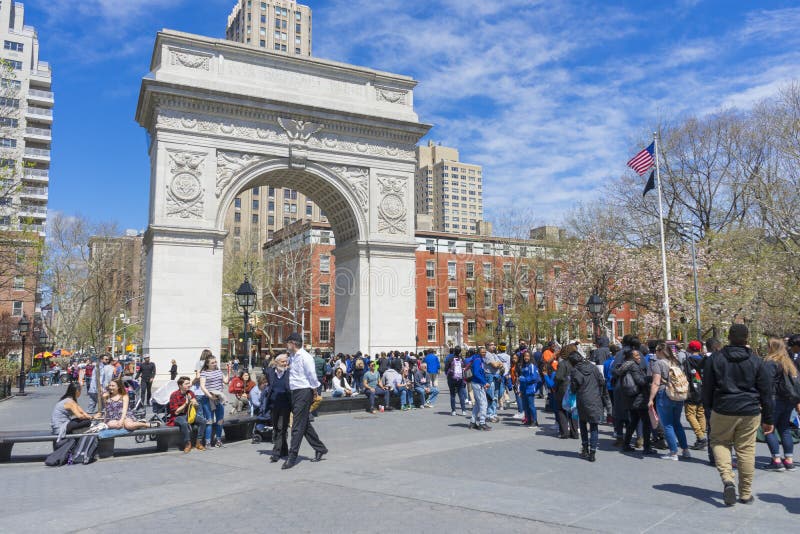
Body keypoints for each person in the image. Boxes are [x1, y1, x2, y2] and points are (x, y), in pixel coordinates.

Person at [703, 324, 773, 506]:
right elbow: (766, 392)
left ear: (729, 337)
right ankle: (745, 493)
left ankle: (727, 479)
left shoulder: (715, 359)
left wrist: (708, 409)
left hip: (723, 407)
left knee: (719, 442)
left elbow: (707, 387)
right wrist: (768, 419)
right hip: (749, 410)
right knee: (746, 450)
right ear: (747, 338)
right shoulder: (757, 361)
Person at [283, 332, 327, 470]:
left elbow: (312, 375)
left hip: (304, 391)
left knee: (296, 425)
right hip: (295, 392)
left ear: (293, 343)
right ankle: (320, 448)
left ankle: (292, 456)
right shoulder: (293, 357)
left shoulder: (305, 357)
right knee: (304, 424)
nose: (286, 345)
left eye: (287, 342)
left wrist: (314, 390)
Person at [647, 342, 691, 461]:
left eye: (656, 350)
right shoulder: (676, 362)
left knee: (667, 424)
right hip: (678, 394)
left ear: (660, 351)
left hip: (664, 394)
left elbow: (656, 382)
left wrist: (651, 399)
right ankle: (685, 450)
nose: (655, 353)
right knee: (677, 423)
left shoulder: (658, 363)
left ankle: (673, 452)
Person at [762, 338, 799, 472]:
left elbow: (766, 384)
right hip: (788, 400)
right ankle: (789, 460)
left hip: (774, 400)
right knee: (784, 429)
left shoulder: (770, 362)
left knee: (768, 428)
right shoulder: (789, 362)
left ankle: (776, 460)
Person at [619, 350, 656, 456]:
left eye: (639, 354)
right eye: (636, 355)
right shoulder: (633, 366)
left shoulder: (625, 366)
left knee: (634, 421)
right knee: (646, 422)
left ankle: (626, 444)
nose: (639, 356)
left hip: (630, 397)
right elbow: (640, 381)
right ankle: (647, 447)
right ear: (631, 357)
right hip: (639, 398)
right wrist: (651, 378)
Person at [167, 376, 207, 452]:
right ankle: (188, 444)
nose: (189, 385)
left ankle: (198, 442)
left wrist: (195, 404)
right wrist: (186, 404)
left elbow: (195, 405)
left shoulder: (190, 393)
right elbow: (176, 412)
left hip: (189, 415)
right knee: (184, 423)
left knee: (203, 421)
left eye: (189, 383)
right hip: (177, 417)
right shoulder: (174, 395)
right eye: (186, 384)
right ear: (180, 385)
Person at [264, 354, 292, 462]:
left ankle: (276, 453)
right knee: (276, 428)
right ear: (276, 363)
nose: (285, 364)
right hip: (273, 404)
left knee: (281, 428)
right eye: (282, 362)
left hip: (285, 405)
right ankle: (284, 450)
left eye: (286, 362)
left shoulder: (289, 373)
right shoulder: (270, 372)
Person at [199, 355, 230, 448]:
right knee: (209, 420)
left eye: (215, 362)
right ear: (207, 364)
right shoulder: (204, 373)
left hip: (218, 398)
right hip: (208, 399)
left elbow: (225, 381)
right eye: (212, 362)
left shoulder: (219, 371)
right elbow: (202, 386)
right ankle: (208, 442)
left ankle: (218, 440)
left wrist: (229, 371)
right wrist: (210, 396)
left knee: (220, 420)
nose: (214, 364)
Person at [683, 340, 707, 450]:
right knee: (701, 414)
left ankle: (701, 437)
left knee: (689, 414)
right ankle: (701, 438)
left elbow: (687, 376)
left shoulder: (688, 361)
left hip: (692, 390)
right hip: (703, 390)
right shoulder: (704, 360)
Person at [555, 345, 578, 439]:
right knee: (573, 410)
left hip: (563, 388)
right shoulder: (576, 363)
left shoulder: (563, 363)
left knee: (561, 409)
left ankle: (564, 432)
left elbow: (558, 377)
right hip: (574, 388)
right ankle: (575, 432)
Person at [467, 347, 491, 431]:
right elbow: (477, 373)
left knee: (477, 404)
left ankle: (473, 422)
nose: (484, 353)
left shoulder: (479, 359)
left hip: (477, 383)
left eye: (485, 352)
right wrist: (484, 382)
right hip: (478, 383)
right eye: (482, 352)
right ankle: (482, 423)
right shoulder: (478, 360)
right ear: (478, 352)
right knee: (483, 403)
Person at [517, 350, 541, 427]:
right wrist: (520, 389)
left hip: (530, 388)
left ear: (530, 357)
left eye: (527, 356)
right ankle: (528, 420)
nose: (526, 357)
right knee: (525, 406)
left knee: (531, 406)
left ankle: (534, 421)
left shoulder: (532, 366)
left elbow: (534, 377)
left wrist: (523, 379)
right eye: (524, 356)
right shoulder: (524, 366)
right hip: (523, 388)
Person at [483, 341, 503, 422]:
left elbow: (501, 364)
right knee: (490, 396)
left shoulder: (494, 355)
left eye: (494, 344)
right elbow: (495, 365)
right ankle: (489, 414)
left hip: (496, 376)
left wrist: (498, 364)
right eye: (491, 345)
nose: (493, 346)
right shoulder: (487, 354)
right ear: (487, 346)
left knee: (495, 396)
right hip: (490, 376)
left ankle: (494, 413)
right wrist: (497, 364)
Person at [444, 347, 467, 416]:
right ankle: (463, 411)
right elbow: (465, 367)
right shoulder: (462, 359)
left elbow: (446, 368)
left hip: (451, 378)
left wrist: (448, 375)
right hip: (460, 378)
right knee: (461, 395)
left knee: (452, 395)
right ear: (460, 352)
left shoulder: (450, 359)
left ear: (454, 351)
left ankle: (453, 411)